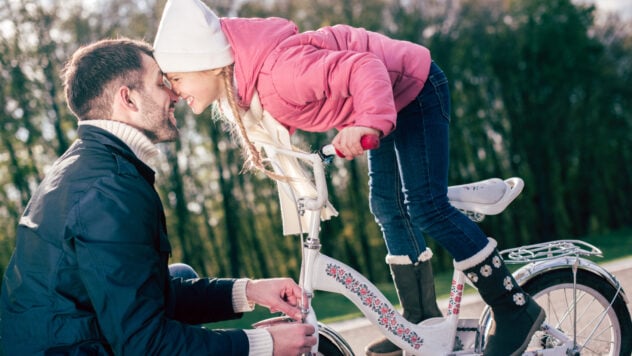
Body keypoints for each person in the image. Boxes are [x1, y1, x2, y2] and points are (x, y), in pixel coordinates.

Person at [152, 0, 546, 355]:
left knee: (425, 205)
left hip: (414, 90)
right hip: (390, 99)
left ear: (205, 61)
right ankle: (420, 317)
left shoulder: (279, 75)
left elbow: (365, 67)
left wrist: (368, 122)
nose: (175, 91)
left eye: (177, 78)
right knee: (387, 207)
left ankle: (514, 308)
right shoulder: (254, 90)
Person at [0, 38, 317, 355]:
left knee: (180, 275)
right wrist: (263, 345)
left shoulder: (88, 165)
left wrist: (249, 291)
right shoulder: (109, 190)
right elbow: (146, 345)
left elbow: (142, 293)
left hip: (59, 337)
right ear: (129, 99)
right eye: (161, 83)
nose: (175, 94)